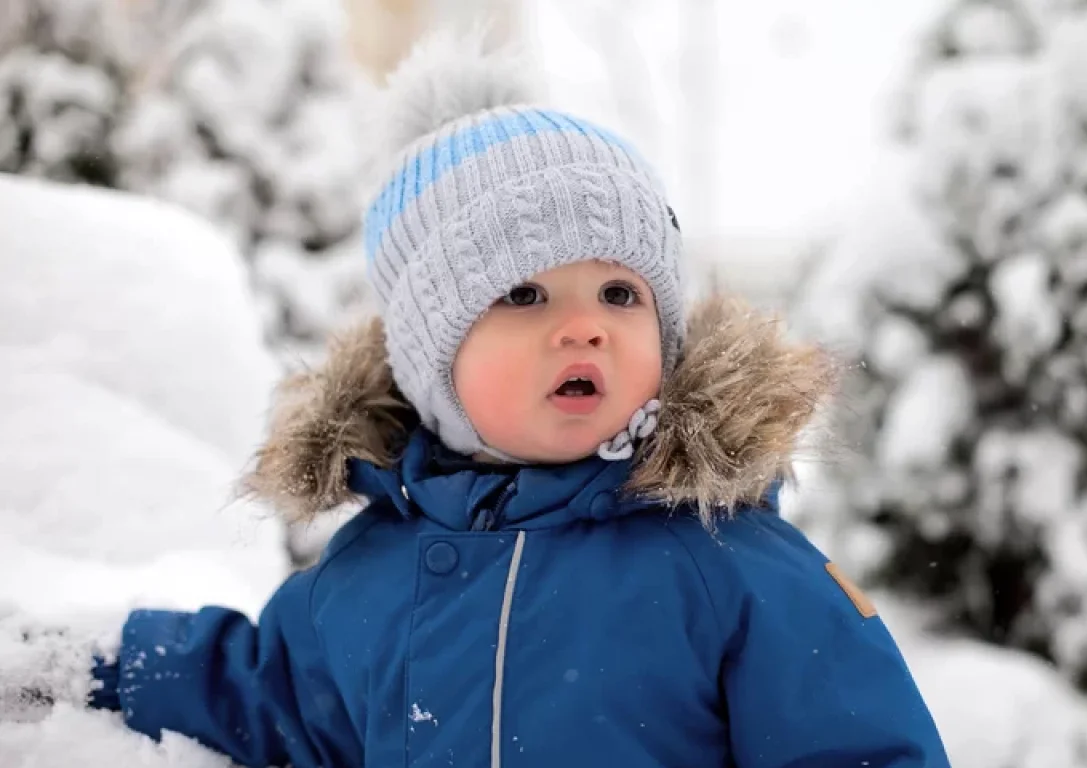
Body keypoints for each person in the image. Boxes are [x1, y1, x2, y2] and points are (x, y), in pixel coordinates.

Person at [7, 31, 951, 768]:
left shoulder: (728, 563)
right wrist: (91, 661)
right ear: (429, 357)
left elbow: (863, 746)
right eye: (524, 295)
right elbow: (265, 692)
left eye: (621, 295)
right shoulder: (369, 569)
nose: (584, 328)